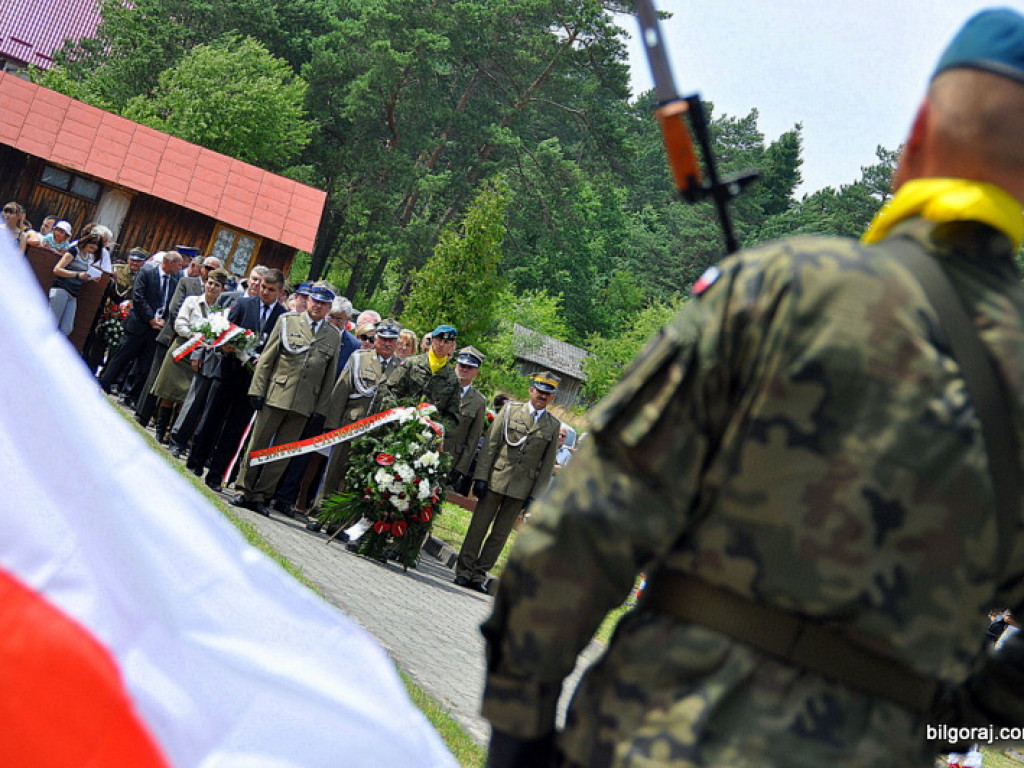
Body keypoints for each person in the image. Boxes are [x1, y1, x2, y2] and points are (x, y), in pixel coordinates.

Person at [478, 10, 1024, 768]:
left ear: (920, 136)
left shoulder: (777, 291)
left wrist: (520, 725)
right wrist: (945, 724)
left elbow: (586, 525)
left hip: (655, 737)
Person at [230, 284, 341, 516]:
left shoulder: (333, 335)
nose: (317, 306)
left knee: (282, 453)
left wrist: (321, 409)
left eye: (323, 304)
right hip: (276, 394)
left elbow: (329, 376)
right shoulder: (287, 321)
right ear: (308, 301)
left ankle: (262, 495)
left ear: (329, 308)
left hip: (304, 404)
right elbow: (268, 359)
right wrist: (257, 390)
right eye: (314, 301)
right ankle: (244, 489)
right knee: (257, 443)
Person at [454, 372, 560, 594]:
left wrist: (535, 497)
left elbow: (547, 465)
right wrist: (481, 477)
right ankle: (464, 571)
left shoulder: (552, 425)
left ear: (552, 398)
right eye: (539, 391)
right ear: (531, 390)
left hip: (521, 489)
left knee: (500, 535)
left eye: (547, 393)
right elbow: (491, 445)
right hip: (495, 479)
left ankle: (479, 574)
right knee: (478, 527)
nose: (542, 396)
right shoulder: (511, 411)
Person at [188, 268, 287, 491]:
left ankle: (216, 474)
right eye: (263, 287)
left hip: (252, 382)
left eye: (271, 290)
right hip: (228, 372)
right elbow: (224, 333)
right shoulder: (244, 305)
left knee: (234, 430)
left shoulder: (282, 317)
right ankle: (195, 461)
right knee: (212, 419)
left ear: (280, 292)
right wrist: (227, 346)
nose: (265, 292)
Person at [306, 318, 404, 531]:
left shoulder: (401, 369)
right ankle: (319, 515)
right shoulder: (359, 358)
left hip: (376, 436)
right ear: (376, 339)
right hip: (349, 426)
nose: (387, 343)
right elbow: (341, 392)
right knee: (333, 474)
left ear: (397, 343)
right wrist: (332, 425)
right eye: (383, 339)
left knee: (356, 480)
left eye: (392, 340)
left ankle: (340, 524)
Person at [149, 268, 230, 443]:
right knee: (168, 392)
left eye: (217, 285)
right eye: (210, 283)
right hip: (182, 348)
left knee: (186, 397)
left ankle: (173, 432)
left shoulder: (222, 310)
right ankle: (159, 430)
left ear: (223, 289)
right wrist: (193, 335)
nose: (212, 287)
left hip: (200, 355)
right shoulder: (192, 301)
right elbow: (180, 323)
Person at [99, 251, 183, 408]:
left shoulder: (174, 280)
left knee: (144, 365)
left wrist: (162, 321)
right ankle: (105, 382)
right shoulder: (147, 273)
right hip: (139, 324)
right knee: (122, 356)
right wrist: (150, 318)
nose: (180, 267)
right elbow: (138, 297)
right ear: (169, 262)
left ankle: (130, 395)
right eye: (178, 264)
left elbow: (170, 302)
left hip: (156, 328)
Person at [379, 323, 461, 446]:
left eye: (446, 341)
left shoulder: (452, 379)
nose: (441, 344)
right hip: (395, 431)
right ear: (432, 340)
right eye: (438, 339)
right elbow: (389, 392)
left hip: (425, 441)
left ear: (452, 346)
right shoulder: (411, 364)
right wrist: (400, 417)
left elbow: (452, 416)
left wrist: (438, 428)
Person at [447, 346, 489, 494]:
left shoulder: (479, 401)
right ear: (455, 366)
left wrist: (461, 469)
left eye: (470, 367)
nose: (464, 369)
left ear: (476, 372)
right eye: (462, 365)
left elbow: (473, 438)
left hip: (451, 459)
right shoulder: (440, 387)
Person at [48, 232, 104, 337]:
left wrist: (91, 278)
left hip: (73, 293)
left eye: (94, 249)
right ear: (86, 243)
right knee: (52, 323)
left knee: (67, 328)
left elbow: (81, 277)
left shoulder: (89, 258)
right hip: (61, 289)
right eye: (90, 247)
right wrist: (77, 275)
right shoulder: (74, 251)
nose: (91, 250)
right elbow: (57, 269)